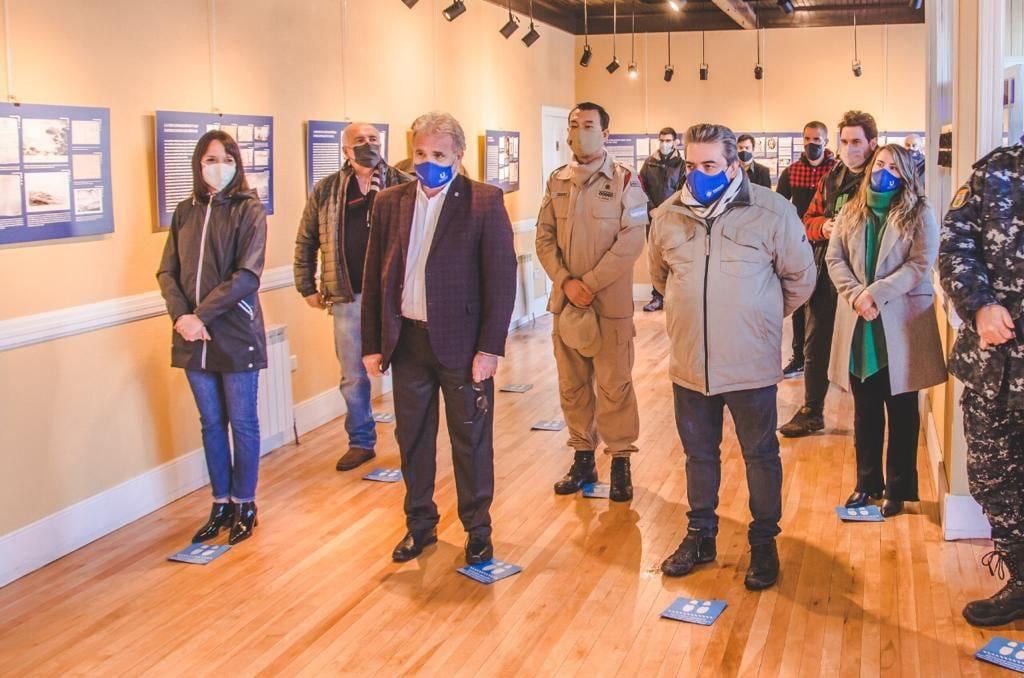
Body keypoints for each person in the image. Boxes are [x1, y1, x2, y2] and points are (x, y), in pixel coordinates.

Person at [649, 124, 815, 590]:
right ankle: (701, 535)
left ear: (734, 165)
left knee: (760, 454)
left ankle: (763, 540)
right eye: (691, 164)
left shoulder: (772, 211)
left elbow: (801, 279)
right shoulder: (667, 215)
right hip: (690, 365)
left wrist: (758, 315)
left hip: (749, 364)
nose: (699, 174)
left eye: (710, 165)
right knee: (698, 455)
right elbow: (660, 277)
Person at [361, 111, 517, 565]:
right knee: (413, 440)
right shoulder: (391, 201)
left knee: (470, 439)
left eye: (439, 154)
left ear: (458, 156)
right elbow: (375, 279)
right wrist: (372, 343)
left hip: (463, 347)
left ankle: (477, 528)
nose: (428, 163)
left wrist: (489, 349)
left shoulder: (483, 202)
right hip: (407, 342)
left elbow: (500, 281)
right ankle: (420, 526)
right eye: (421, 153)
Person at [156, 130, 268, 545]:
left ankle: (246, 503)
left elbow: (247, 275)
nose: (216, 166)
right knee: (210, 423)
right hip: (191, 336)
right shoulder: (184, 211)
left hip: (235, 332)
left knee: (242, 422)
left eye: (224, 158)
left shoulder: (248, 209)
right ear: (197, 164)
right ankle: (220, 503)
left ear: (236, 163)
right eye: (209, 159)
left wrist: (201, 314)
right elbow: (167, 271)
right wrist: (183, 316)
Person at [535, 101, 648, 503]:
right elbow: (543, 238)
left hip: (609, 304)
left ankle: (620, 461)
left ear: (605, 132)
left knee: (614, 385)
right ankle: (583, 456)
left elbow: (632, 240)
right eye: (574, 124)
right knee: (572, 386)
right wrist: (566, 282)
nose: (579, 131)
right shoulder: (557, 181)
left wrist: (591, 283)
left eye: (588, 125)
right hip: (566, 304)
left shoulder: (624, 180)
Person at [826, 145, 946, 517]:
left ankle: (898, 488)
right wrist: (856, 296)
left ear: (907, 172)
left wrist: (874, 293)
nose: (884, 171)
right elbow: (835, 258)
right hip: (860, 324)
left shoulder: (920, 213)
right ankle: (866, 485)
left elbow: (920, 263)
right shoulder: (850, 210)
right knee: (865, 411)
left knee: (903, 411)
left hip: (900, 324)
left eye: (894, 166)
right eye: (879, 164)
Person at [939, 140, 1024, 627]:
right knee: (996, 482)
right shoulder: (995, 172)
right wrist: (979, 304)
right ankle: (1021, 579)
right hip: (995, 367)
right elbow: (955, 248)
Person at [294, 123, 412, 472]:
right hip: (349, 295)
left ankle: (411, 439)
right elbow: (306, 240)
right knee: (353, 375)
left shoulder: (403, 183)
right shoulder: (328, 190)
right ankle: (361, 440)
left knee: (407, 370)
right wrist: (306, 285)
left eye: (373, 139)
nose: (367, 145)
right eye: (359, 141)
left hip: (397, 296)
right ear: (345, 149)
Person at [781, 110, 879, 437]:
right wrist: (823, 227)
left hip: (866, 279)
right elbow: (807, 220)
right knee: (815, 343)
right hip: (825, 271)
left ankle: (871, 420)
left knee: (865, 348)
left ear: (872, 143)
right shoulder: (832, 178)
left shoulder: (882, 178)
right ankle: (812, 410)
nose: (850, 148)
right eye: (845, 141)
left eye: (856, 142)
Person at [776, 121, 837, 378]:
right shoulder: (791, 173)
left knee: (829, 305)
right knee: (799, 303)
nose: (812, 144)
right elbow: (778, 208)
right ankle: (799, 356)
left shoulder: (836, 173)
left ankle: (831, 362)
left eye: (817, 139)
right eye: (808, 139)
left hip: (830, 245)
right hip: (798, 245)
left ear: (826, 141)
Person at [639, 127, 684, 312]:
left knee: (676, 257)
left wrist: (667, 210)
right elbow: (640, 188)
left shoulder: (681, 164)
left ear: (675, 142)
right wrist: (651, 209)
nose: (664, 144)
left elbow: (684, 190)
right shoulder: (649, 163)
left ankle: (675, 297)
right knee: (655, 258)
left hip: (674, 217)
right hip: (653, 217)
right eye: (662, 140)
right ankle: (657, 297)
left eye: (668, 140)